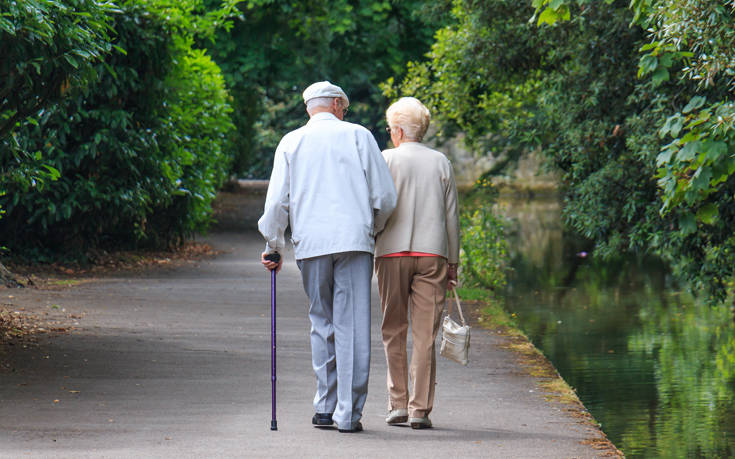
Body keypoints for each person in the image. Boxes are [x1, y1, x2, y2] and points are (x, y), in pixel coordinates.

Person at [258, 81, 397, 433]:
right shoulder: (359, 136)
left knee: (321, 321)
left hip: (312, 242)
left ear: (309, 108)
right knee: (352, 325)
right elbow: (385, 197)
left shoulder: (291, 141)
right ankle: (348, 414)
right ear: (337, 104)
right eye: (344, 108)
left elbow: (277, 203)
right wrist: (373, 228)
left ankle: (324, 406)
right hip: (354, 241)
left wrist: (273, 244)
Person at [374, 97, 460, 429]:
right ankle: (419, 409)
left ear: (397, 130)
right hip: (432, 254)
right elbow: (452, 218)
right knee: (426, 334)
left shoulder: (386, 159)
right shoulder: (441, 162)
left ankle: (397, 403)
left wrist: (376, 233)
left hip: (391, 253)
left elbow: (378, 207)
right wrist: (452, 262)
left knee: (393, 329)